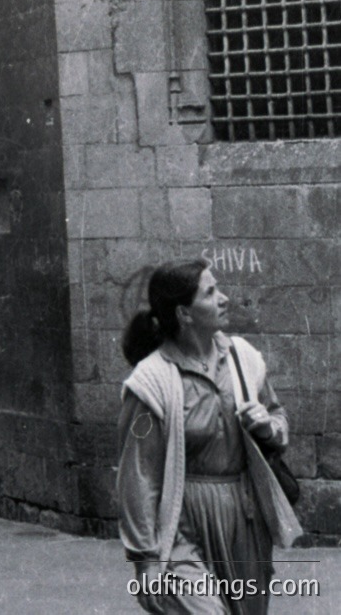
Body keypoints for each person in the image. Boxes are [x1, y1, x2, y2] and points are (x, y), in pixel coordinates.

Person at [117, 259, 291, 615]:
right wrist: (146, 560)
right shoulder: (151, 383)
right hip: (181, 524)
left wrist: (267, 426)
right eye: (211, 292)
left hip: (245, 520)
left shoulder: (243, 358)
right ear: (184, 313)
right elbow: (138, 474)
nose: (224, 298)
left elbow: (277, 416)